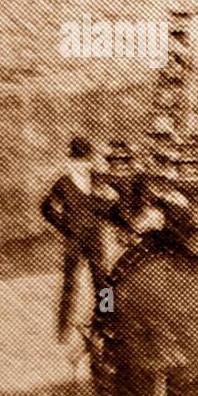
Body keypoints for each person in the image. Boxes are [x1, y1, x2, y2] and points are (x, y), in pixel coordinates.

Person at [41, 137, 119, 343]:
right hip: (73, 239)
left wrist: (103, 208)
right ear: (72, 159)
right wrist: (63, 226)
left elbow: (112, 205)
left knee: (103, 281)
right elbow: (46, 207)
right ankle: (63, 329)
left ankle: (108, 321)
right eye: (79, 159)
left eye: (85, 159)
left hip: (95, 237)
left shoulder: (98, 179)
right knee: (69, 283)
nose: (83, 164)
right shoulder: (63, 182)